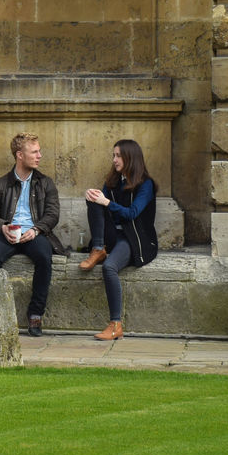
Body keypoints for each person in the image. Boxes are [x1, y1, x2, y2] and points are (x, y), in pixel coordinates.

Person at [0, 132, 63, 336]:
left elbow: (53, 214)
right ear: (20, 155)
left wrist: (36, 230)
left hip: (34, 233)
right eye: (34, 152)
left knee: (45, 258)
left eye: (39, 151)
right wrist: (2, 227)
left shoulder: (46, 183)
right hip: (7, 233)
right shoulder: (0, 184)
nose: (39, 156)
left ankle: (35, 314)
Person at [80, 138, 159, 341]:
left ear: (130, 158)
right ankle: (98, 249)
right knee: (94, 200)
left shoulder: (145, 185)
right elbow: (102, 206)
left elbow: (132, 213)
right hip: (112, 235)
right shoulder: (113, 182)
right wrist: (95, 195)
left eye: (118, 156)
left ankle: (115, 325)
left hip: (134, 239)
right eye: (113, 155)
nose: (114, 160)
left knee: (109, 268)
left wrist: (105, 201)